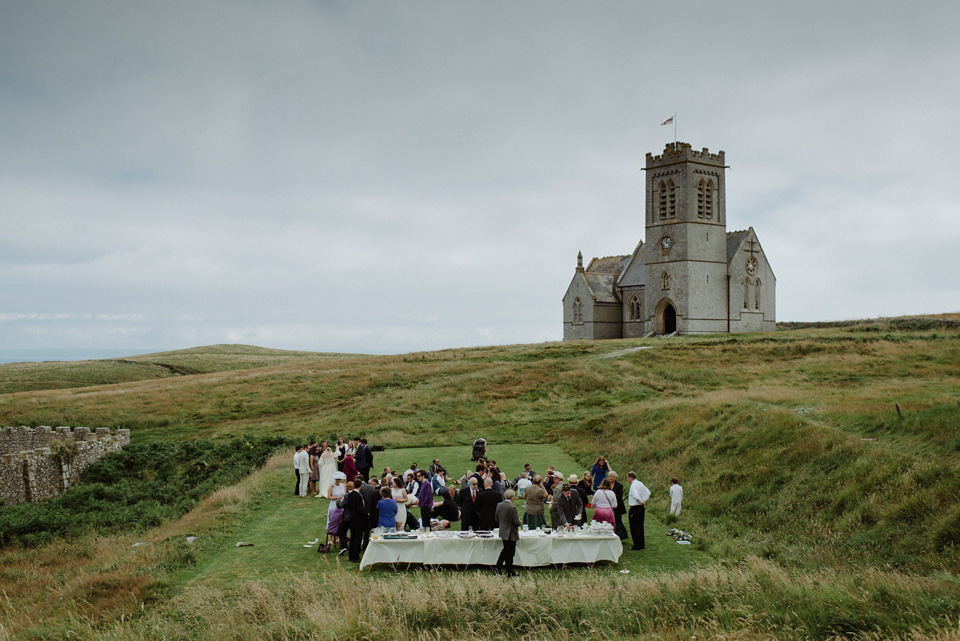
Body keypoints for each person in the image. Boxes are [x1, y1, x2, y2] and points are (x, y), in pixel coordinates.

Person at [495, 489, 521, 577]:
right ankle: (503, 569)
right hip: (511, 533)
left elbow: (496, 518)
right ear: (512, 497)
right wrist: (520, 522)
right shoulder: (512, 508)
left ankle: (507, 570)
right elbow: (516, 522)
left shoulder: (499, 505)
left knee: (506, 550)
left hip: (503, 531)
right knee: (509, 552)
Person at [342, 481, 367, 562]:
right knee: (358, 538)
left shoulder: (350, 495)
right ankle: (355, 556)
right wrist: (366, 514)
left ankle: (351, 555)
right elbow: (360, 509)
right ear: (360, 486)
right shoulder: (358, 496)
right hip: (358, 519)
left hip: (352, 517)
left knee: (353, 537)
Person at [627, 471, 651, 550]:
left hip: (635, 507)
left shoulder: (633, 486)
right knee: (640, 525)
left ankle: (636, 545)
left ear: (630, 477)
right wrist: (644, 499)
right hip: (641, 508)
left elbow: (635, 495)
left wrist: (640, 500)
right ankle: (641, 544)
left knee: (634, 526)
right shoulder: (640, 483)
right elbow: (648, 492)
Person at [323, 472, 347, 551]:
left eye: (339, 480)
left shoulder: (343, 486)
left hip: (341, 505)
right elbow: (329, 497)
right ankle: (330, 539)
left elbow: (345, 494)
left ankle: (337, 537)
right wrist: (337, 497)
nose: (338, 481)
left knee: (339, 521)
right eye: (337, 480)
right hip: (333, 504)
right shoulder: (332, 486)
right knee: (332, 520)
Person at [357, 474, 378, 550]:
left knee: (359, 530)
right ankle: (365, 545)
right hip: (369, 511)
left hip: (359, 512)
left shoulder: (358, 488)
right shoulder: (372, 488)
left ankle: (358, 545)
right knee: (367, 530)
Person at [609, 471, 628, 540]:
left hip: (617, 506)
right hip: (609, 506)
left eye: (611, 476)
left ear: (615, 477)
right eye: (609, 476)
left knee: (618, 521)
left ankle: (621, 536)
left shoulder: (619, 485)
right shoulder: (607, 484)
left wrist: (613, 495)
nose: (610, 478)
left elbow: (619, 496)